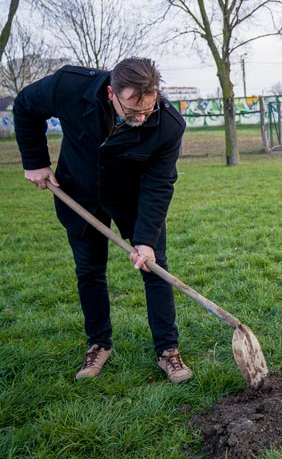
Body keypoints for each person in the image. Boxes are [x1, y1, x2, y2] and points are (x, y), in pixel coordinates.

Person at [14, 57, 193, 383]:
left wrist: (145, 240)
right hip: (79, 192)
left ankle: (168, 351)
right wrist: (36, 161)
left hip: (133, 199)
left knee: (155, 268)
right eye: (132, 110)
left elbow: (159, 183)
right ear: (111, 92)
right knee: (89, 270)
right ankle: (99, 343)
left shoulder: (168, 124)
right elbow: (26, 105)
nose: (141, 118)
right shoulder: (70, 86)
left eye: (147, 110)